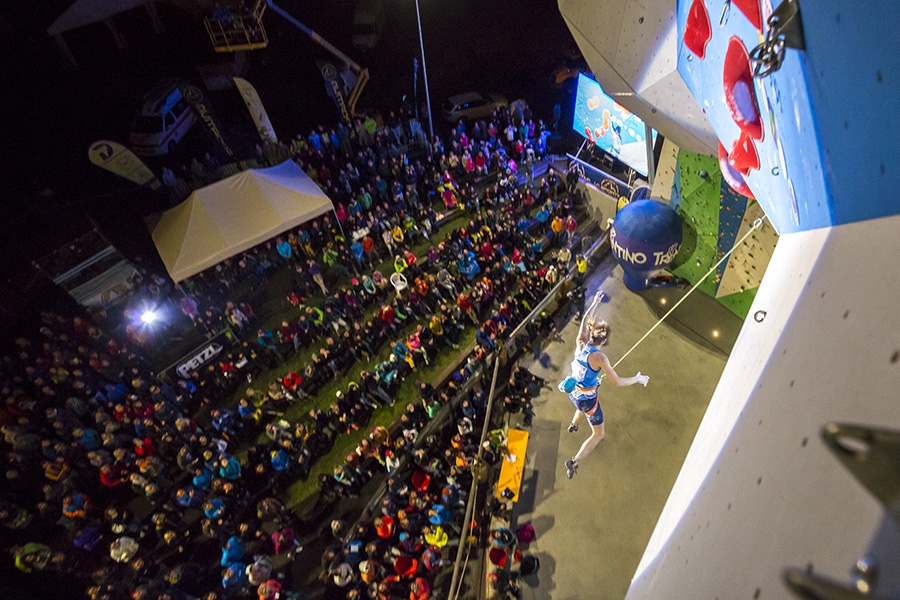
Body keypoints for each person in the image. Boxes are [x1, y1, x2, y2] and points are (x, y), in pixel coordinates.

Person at [562, 291, 649, 479]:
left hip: (575, 392)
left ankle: (573, 424)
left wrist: (595, 302)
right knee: (598, 434)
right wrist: (637, 378)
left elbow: (585, 319)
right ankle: (574, 461)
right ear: (605, 341)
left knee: (581, 403)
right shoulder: (600, 358)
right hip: (587, 401)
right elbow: (617, 382)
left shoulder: (581, 342)